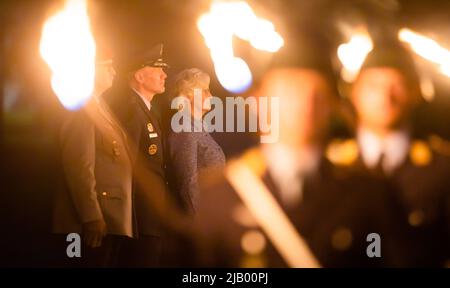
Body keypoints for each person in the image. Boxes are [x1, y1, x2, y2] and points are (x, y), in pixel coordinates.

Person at [193, 34, 407, 267]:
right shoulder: (219, 194)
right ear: (258, 101)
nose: (305, 104)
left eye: (317, 93)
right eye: (290, 90)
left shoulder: (367, 194)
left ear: (334, 106)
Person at [331, 42, 450, 267]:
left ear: (416, 93)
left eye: (397, 85)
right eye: (373, 86)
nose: (386, 97)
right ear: (354, 93)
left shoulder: (442, 170)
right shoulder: (331, 166)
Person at [53, 52, 133, 267]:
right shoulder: (82, 110)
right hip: (87, 225)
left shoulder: (99, 106)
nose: (114, 72)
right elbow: (79, 167)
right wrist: (91, 216)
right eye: (107, 66)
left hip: (108, 218)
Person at [103, 43, 171, 267]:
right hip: (140, 217)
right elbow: (125, 165)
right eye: (157, 68)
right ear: (140, 76)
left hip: (149, 214)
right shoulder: (131, 109)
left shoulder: (147, 109)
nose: (164, 74)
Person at [167, 68, 226, 215]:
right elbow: (187, 184)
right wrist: (201, 226)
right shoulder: (184, 129)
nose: (211, 96)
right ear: (188, 95)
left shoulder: (196, 126)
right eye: (205, 91)